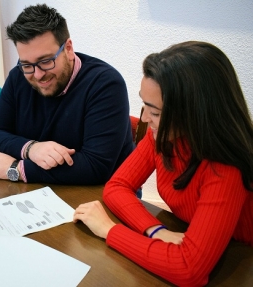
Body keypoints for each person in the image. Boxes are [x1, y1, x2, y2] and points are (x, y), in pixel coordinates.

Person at [73, 41, 253, 286]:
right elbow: (116, 187)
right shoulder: (163, 136)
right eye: (144, 105)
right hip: (197, 237)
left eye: (155, 112)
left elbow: (189, 270)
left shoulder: (225, 167)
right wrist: (157, 231)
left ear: (194, 113)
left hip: (240, 261)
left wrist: (108, 230)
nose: (145, 118)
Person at [0, 4, 134, 185]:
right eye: (27, 65)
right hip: (42, 190)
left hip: (101, 194)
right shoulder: (18, 76)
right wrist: (31, 149)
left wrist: (17, 168)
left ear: (68, 49)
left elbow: (96, 166)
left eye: (45, 61)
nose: (37, 75)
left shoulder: (106, 84)